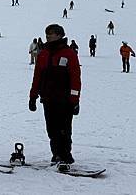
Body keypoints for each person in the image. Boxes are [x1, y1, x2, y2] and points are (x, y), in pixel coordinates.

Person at [29, 24, 81, 166]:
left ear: (59, 35)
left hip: (64, 100)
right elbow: (37, 76)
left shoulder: (69, 53)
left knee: (64, 129)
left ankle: (65, 156)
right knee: (51, 129)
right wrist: (33, 96)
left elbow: (75, 78)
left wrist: (74, 100)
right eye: (47, 33)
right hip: (48, 98)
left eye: (51, 33)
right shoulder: (44, 53)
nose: (48, 36)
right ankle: (56, 155)